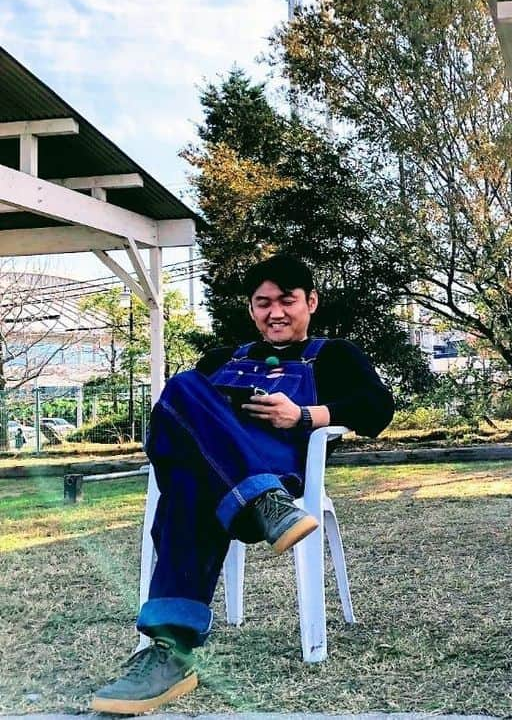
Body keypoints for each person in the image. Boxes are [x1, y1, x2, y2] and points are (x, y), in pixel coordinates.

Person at [91, 254, 394, 714]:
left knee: (188, 451)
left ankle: (261, 495)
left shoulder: (335, 356)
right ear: (251, 310)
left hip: (283, 472)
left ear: (310, 302)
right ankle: (170, 654)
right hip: (228, 494)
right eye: (262, 303)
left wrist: (304, 416)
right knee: (184, 398)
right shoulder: (221, 359)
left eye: (287, 300)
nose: (275, 312)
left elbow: (378, 409)